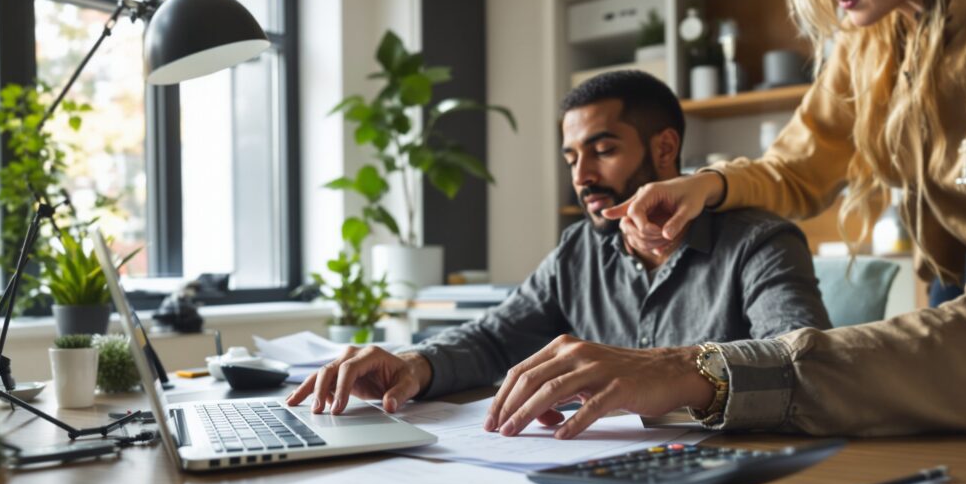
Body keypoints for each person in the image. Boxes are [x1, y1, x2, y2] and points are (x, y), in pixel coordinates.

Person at [508, 0, 966, 438]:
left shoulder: (759, 244)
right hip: (953, 275)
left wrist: (694, 371)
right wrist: (707, 184)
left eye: (602, 150)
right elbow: (798, 166)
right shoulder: (869, 36)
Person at [287, 71, 832, 435]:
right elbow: (495, 336)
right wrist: (414, 363)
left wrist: (668, 372)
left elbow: (807, 368)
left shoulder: (760, 241)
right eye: (572, 156)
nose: (582, 176)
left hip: (736, 482)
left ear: (665, 149)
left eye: (604, 150)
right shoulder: (580, 250)